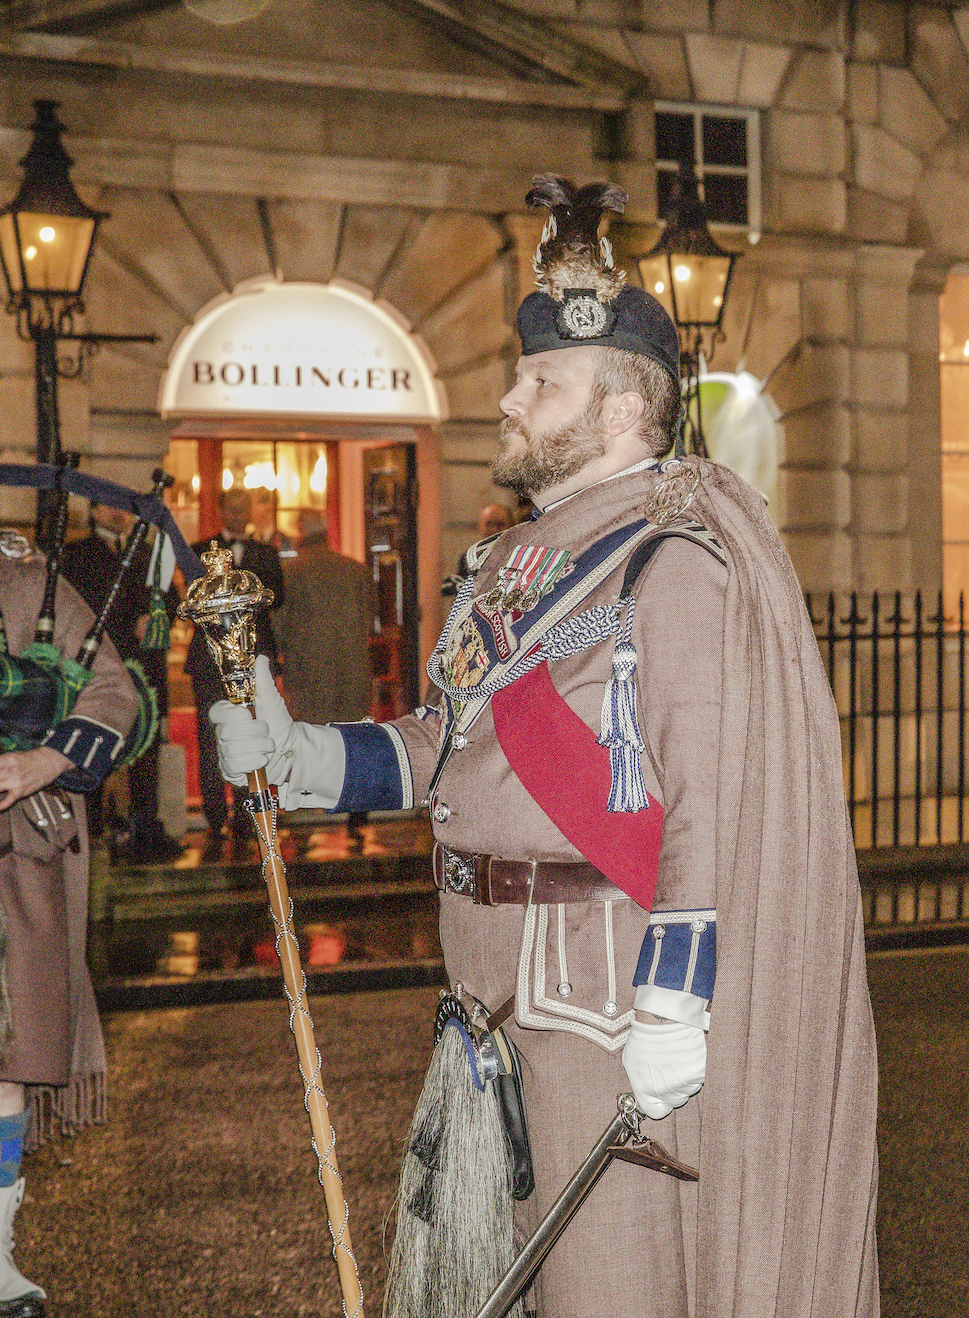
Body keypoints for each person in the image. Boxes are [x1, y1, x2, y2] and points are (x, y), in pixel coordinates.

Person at [209, 175, 880, 1316]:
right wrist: (300, 755)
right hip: (484, 991)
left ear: (620, 410)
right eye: (520, 376)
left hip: (602, 1005)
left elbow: (710, 797)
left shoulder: (675, 561)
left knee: (604, 1291)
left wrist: (674, 1001)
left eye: (539, 382)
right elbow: (444, 745)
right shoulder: (509, 567)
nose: (511, 400)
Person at [0, 458, 138, 1314]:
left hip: (9, 871)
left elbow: (116, 689)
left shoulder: (27, 579)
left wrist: (48, 759)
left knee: (2, 1058)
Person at [59, 501, 179, 863]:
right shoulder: (77, 553)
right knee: (96, 744)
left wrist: (157, 617)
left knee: (146, 751)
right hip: (101, 668)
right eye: (109, 506)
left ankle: (144, 827)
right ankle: (92, 828)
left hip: (144, 667)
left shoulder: (146, 553)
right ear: (93, 512)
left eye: (124, 507)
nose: (118, 513)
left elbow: (169, 599)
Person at [186, 487, 282, 859]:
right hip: (209, 661)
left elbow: (279, 597)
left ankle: (247, 815)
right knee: (210, 738)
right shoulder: (198, 550)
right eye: (233, 506)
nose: (239, 513)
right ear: (222, 509)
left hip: (254, 656)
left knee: (252, 735)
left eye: (245, 507)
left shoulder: (266, 554)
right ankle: (213, 815)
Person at [271, 510, 372, 837]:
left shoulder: (291, 573)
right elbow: (367, 620)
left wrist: (279, 658)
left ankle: (304, 803)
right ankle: (357, 808)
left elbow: (280, 624)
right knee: (351, 738)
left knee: (307, 738)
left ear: (300, 533)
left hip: (308, 670)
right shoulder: (355, 571)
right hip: (350, 669)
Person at [441, 503, 516, 599]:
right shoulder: (469, 559)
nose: (494, 530)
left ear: (512, 526)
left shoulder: (519, 555)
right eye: (489, 524)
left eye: (500, 524)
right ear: (480, 526)